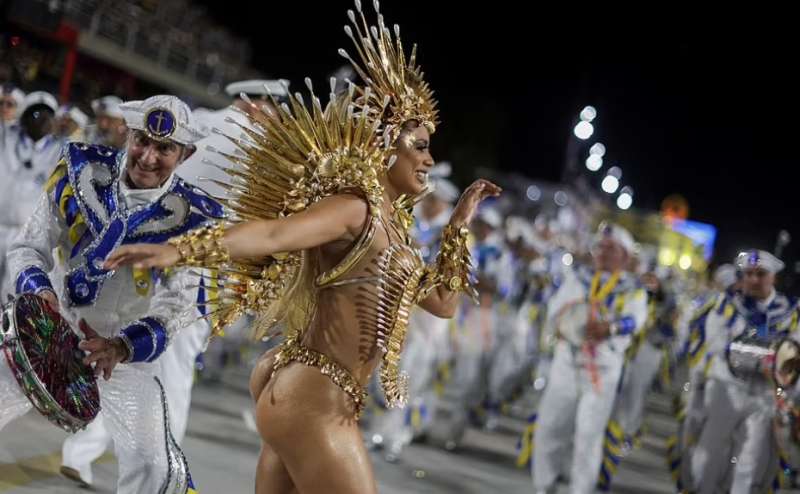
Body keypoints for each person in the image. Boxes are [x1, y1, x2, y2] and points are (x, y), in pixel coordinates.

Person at [103, 4, 501, 492]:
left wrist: (458, 226)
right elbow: (274, 235)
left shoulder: (395, 230)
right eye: (417, 145)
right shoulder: (355, 208)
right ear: (383, 148)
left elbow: (442, 302)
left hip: (316, 393)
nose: (428, 157)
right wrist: (178, 251)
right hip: (314, 396)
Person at [1, 94, 224, 493]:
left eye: (165, 148)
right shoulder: (79, 170)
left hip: (123, 354)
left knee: (154, 468)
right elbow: (27, 246)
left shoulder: (195, 219)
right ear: (128, 133)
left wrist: (122, 347)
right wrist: (38, 294)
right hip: (52, 326)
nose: (149, 157)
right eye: (142, 141)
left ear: (185, 154)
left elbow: (181, 304)